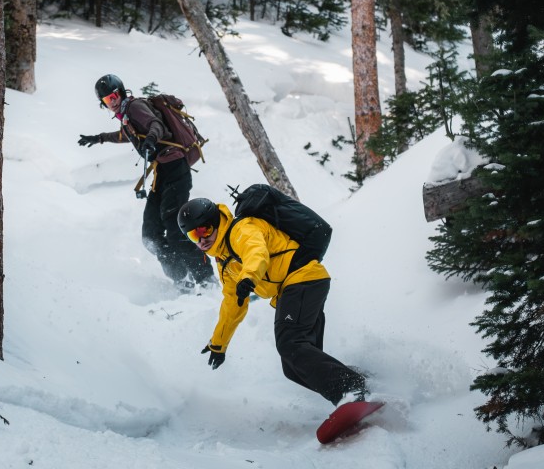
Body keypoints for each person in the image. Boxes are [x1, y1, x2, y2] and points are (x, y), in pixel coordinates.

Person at [177, 197, 367, 406]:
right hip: (294, 289)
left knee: (290, 344)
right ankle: (360, 380)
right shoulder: (224, 261)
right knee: (293, 368)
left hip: (303, 278)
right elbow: (233, 304)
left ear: (216, 221)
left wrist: (249, 276)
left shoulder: (241, 229)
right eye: (194, 235)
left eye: (204, 229)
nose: (201, 239)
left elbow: (256, 253)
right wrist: (218, 344)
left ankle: (352, 390)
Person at [78, 74, 213, 289]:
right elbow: (126, 135)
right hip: (163, 174)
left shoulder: (135, 107)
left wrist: (151, 139)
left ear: (120, 92)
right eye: (106, 100)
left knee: (175, 227)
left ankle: (206, 278)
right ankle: (181, 279)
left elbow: (155, 124)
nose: (111, 102)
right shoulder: (125, 116)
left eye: (113, 96)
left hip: (176, 169)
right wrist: (99, 138)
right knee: (150, 234)